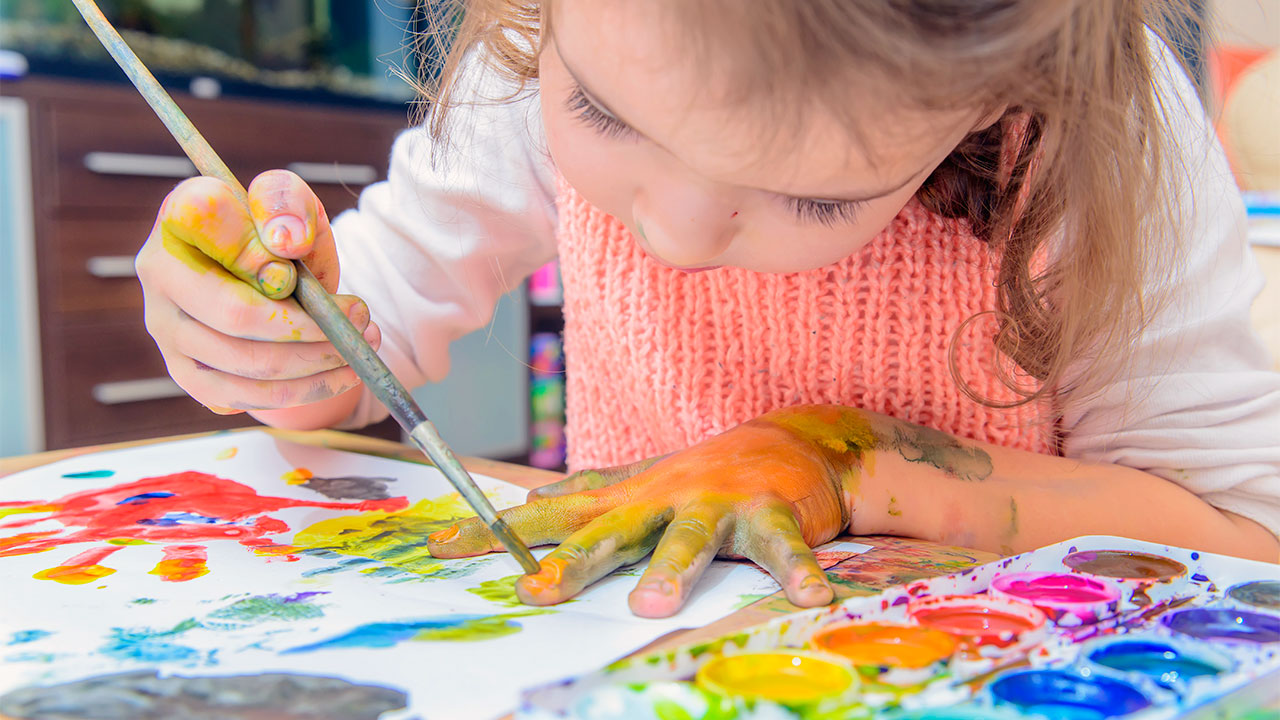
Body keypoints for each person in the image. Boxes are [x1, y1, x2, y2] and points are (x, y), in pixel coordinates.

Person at [135, 0, 1280, 618]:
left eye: (809, 195)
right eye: (605, 116)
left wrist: (844, 462)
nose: (674, 238)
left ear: (991, 98)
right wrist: (273, 327)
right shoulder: (538, 57)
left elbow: (1239, 541)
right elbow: (365, 334)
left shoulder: (1100, 143)